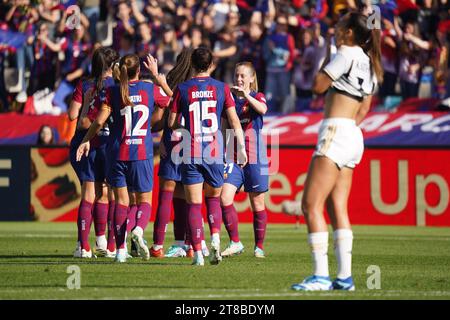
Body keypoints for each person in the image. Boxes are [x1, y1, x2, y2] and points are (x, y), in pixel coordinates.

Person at [291, 12, 382, 291]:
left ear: (350, 32)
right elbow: (365, 106)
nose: (336, 28)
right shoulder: (369, 61)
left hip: (335, 130)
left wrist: (327, 54)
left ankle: (320, 275)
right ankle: (344, 277)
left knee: (310, 204)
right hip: (353, 134)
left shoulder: (345, 52)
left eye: (341, 26)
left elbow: (317, 86)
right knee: (336, 206)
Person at [76, 53, 170, 263]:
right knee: (145, 201)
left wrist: (86, 140)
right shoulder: (150, 89)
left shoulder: (112, 91)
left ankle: (119, 250)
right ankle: (137, 229)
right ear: (139, 70)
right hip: (141, 153)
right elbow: (173, 102)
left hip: (117, 153)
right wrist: (157, 78)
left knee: (121, 203)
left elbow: (99, 121)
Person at [167, 47, 247, 266]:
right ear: (211, 64)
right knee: (213, 199)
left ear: (192, 64)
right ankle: (215, 241)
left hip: (191, 150)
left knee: (193, 204)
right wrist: (240, 147)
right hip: (214, 153)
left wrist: (182, 126)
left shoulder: (182, 88)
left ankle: (199, 253)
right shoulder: (221, 88)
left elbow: (171, 123)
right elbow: (234, 121)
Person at [148, 48, 210, 259]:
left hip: (173, 144)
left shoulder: (175, 86)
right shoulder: (204, 87)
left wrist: (160, 84)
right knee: (190, 199)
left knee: (167, 196)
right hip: (195, 146)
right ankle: (191, 244)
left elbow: (156, 123)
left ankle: (158, 245)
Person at [68, 47, 119, 259]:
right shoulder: (117, 86)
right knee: (106, 193)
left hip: (86, 142)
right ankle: (105, 243)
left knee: (88, 194)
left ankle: (83, 247)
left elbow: (73, 116)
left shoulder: (85, 84)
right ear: (112, 65)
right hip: (108, 143)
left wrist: (88, 104)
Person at [220, 61, 269, 259]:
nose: (238, 79)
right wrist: (223, 152)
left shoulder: (257, 96)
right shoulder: (229, 99)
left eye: (242, 76)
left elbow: (263, 110)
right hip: (233, 157)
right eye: (236, 75)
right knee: (224, 198)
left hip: (255, 156)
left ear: (251, 78)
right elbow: (224, 126)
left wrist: (246, 95)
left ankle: (259, 247)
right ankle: (235, 242)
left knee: (257, 204)